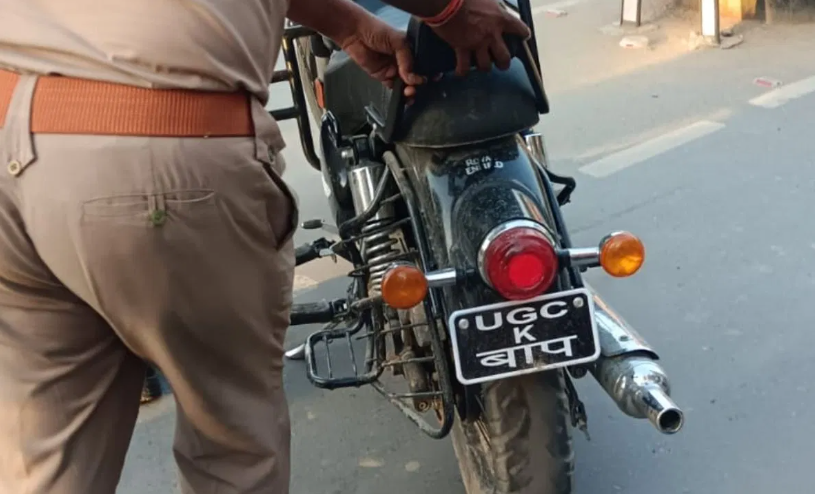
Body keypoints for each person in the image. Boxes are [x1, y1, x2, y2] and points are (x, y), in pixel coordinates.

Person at [0, 0, 529, 493]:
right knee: (233, 454)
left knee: (48, 457)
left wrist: (346, 24)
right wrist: (452, 10)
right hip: (160, 148)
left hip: (15, 150)